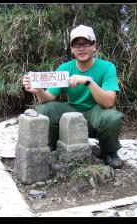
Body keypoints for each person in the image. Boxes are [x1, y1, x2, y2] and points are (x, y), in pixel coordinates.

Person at [22, 25, 124, 169]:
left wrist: (88, 81)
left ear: (94, 46)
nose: (81, 48)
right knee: (45, 109)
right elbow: (48, 97)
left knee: (113, 117)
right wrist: (38, 90)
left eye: (85, 43)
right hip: (71, 112)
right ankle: (51, 145)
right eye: (76, 44)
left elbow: (108, 102)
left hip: (96, 113)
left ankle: (109, 151)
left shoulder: (107, 67)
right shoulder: (64, 68)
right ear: (71, 49)